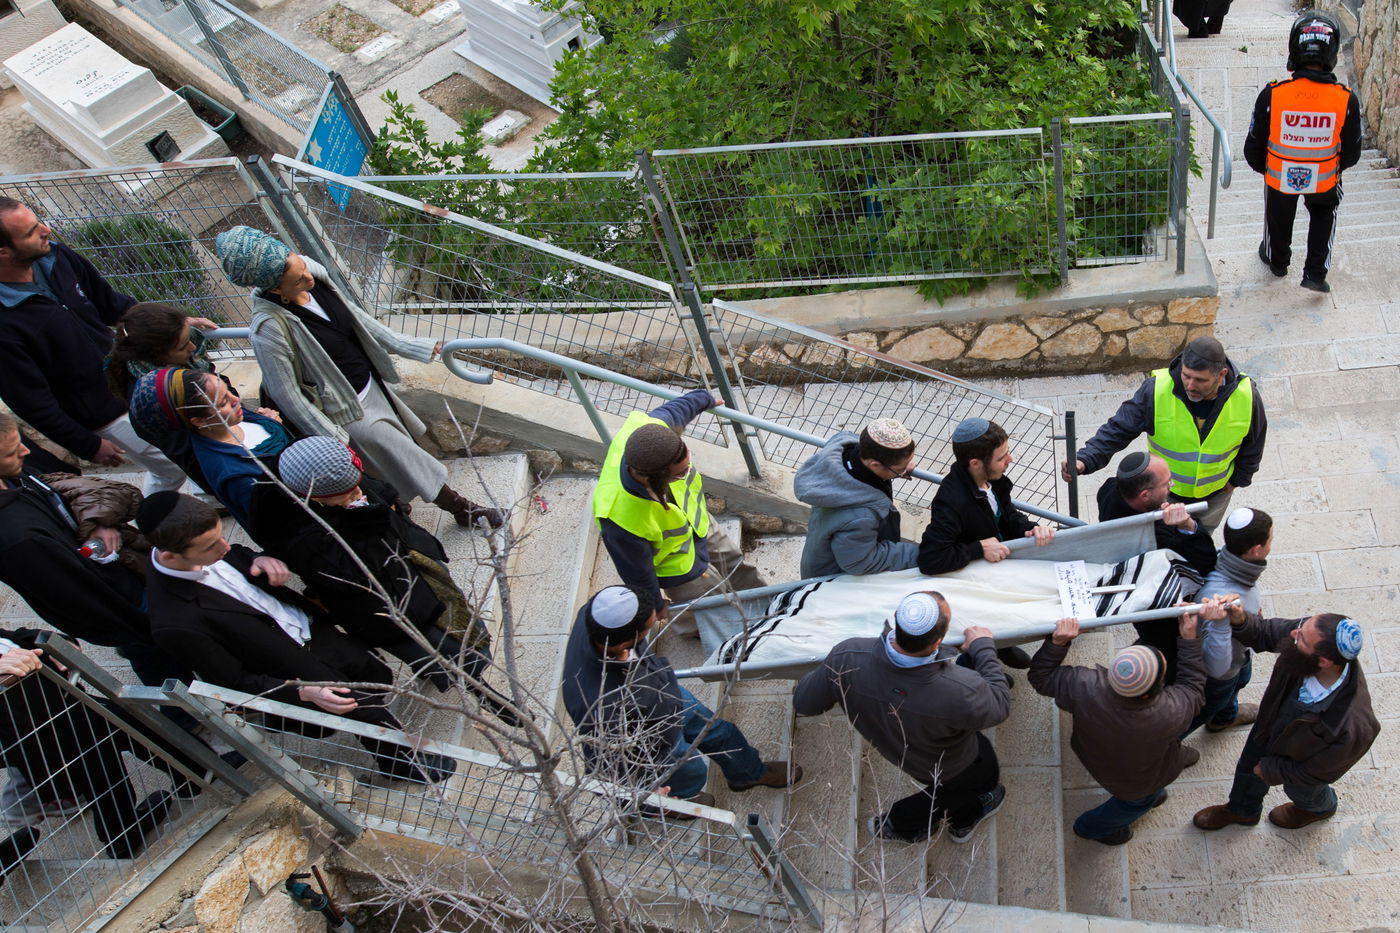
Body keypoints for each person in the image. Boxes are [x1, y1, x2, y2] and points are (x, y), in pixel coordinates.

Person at [138, 492, 456, 785]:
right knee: (359, 705)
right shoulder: (174, 622)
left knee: (371, 672)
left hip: (307, 627)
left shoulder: (207, 548)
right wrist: (302, 692)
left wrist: (256, 560)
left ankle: (382, 739)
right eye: (210, 546)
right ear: (169, 557)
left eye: (221, 537)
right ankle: (401, 764)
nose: (224, 548)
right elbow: (233, 681)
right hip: (288, 665)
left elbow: (236, 554)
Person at [214, 226, 501, 528]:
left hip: (371, 385)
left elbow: (356, 319)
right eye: (298, 279)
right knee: (403, 456)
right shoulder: (269, 329)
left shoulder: (311, 273)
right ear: (274, 289)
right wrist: (333, 435)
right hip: (344, 411)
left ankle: (397, 507)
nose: (308, 278)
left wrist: (411, 346)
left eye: (300, 264)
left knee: (390, 458)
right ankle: (461, 508)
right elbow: (286, 394)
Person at [268, 437, 520, 725]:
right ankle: (483, 693)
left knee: (457, 631)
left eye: (356, 484)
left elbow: (382, 492)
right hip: (386, 608)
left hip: (419, 575)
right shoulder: (301, 535)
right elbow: (354, 575)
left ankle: (472, 681)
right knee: (443, 653)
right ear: (314, 497)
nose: (358, 491)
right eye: (347, 492)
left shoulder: (347, 483)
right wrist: (366, 519)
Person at [0, 198, 186, 494]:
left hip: (135, 381)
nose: (46, 230)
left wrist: (173, 322)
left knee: (184, 457)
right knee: (175, 465)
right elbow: (33, 402)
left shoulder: (57, 257)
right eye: (32, 232)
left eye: (39, 221)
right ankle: (162, 526)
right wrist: (87, 445)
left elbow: (111, 304)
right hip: (105, 414)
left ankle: (182, 512)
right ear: (3, 252)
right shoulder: (4, 324)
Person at [793, 591, 1010, 844]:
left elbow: (804, 703)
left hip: (899, 752)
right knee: (977, 782)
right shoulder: (961, 690)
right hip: (954, 764)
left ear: (896, 618)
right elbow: (1000, 705)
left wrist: (834, 675)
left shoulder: (847, 655)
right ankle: (928, 823)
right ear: (938, 641)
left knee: (949, 791)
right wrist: (983, 647)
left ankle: (937, 818)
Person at [0, 411, 190, 693]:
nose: (27, 452)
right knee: (157, 659)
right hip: (119, 605)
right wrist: (138, 624)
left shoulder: (13, 473)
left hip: (121, 576)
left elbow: (60, 488)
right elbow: (78, 597)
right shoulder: (18, 540)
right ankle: (183, 719)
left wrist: (94, 523)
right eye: (13, 452)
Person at [561, 585, 800, 807]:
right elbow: (602, 763)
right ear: (627, 642)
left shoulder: (595, 616)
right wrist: (642, 798)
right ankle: (682, 801)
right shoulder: (597, 703)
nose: (656, 620)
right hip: (655, 739)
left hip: (667, 696)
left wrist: (654, 602)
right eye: (650, 624)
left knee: (721, 732)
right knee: (691, 771)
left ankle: (748, 774)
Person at [592, 388, 764, 635]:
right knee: (701, 606)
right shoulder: (618, 519)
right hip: (676, 565)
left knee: (734, 564)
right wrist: (656, 604)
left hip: (698, 525)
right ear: (655, 477)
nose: (687, 472)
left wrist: (703, 398)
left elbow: (676, 411)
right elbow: (637, 572)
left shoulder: (650, 433)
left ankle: (765, 604)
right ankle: (706, 632)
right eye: (680, 473)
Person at [1028, 610, 1206, 846]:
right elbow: (1193, 686)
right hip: (1135, 781)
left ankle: (1155, 789)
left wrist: (1058, 643)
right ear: (1148, 693)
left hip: (1097, 757)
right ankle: (1092, 828)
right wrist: (1190, 641)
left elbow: (1040, 678)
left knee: (1147, 790)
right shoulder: (1171, 712)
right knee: (1136, 801)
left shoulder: (1084, 685)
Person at [1193, 608, 1380, 831]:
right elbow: (1265, 632)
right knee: (1248, 768)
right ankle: (1242, 811)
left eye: (1301, 638)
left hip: (1300, 762)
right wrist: (1241, 619)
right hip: (1270, 730)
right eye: (1301, 627)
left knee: (1301, 790)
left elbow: (1322, 771)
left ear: (1323, 662)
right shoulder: (1306, 638)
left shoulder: (1353, 725)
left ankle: (1318, 809)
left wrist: (1274, 769)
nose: (1293, 633)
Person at [1062, 336, 1266, 535]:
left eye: (1200, 380)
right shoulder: (1156, 390)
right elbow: (1119, 428)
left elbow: (1254, 443)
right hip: (1165, 494)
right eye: (1186, 376)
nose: (1190, 385)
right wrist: (1085, 459)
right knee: (1161, 542)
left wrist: (1237, 481)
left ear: (1221, 374)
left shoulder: (1247, 395)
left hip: (1213, 496)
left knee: (1200, 539)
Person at [0, 632, 172, 859]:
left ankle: (123, 833)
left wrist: (55, 641)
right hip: (37, 726)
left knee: (110, 749)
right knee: (120, 736)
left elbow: (12, 638)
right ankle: (201, 774)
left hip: (60, 709)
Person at [917, 417, 1054, 668]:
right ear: (976, 463)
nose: (1010, 460)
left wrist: (1031, 529)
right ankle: (975, 660)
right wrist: (978, 548)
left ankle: (1001, 645)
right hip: (972, 581)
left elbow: (1007, 515)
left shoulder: (994, 480)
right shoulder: (951, 502)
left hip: (995, 567)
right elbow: (930, 558)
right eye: (1002, 457)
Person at [1245, 11, 1362, 294]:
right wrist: (1331, 167)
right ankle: (1314, 273)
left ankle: (1277, 261)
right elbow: (1352, 153)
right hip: (1324, 180)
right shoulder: (1345, 99)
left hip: (1280, 176)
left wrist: (1269, 168)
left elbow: (1253, 146)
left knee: (1278, 216)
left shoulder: (1273, 94)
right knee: (1324, 216)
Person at [130, 367, 291, 532]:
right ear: (199, 421)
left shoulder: (231, 418)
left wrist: (275, 425)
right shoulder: (235, 476)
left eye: (227, 390)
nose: (235, 398)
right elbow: (281, 521)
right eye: (222, 402)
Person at [793, 418, 919, 578]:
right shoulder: (861, 516)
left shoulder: (845, 449)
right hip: (831, 579)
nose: (904, 470)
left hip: (819, 554)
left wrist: (898, 470)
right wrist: (917, 553)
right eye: (900, 468)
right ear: (875, 465)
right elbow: (861, 561)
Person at [1189, 507, 1273, 736]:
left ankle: (1226, 716)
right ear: (1257, 550)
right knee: (1208, 706)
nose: (1270, 545)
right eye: (1270, 541)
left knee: (1240, 680)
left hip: (1240, 655)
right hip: (1222, 673)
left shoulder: (1226, 559)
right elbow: (1217, 668)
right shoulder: (1220, 595)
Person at [1097, 452, 1217, 577]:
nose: (1172, 484)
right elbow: (1206, 566)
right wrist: (1187, 525)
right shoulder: (1157, 537)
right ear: (1145, 495)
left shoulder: (1109, 488)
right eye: (1166, 483)